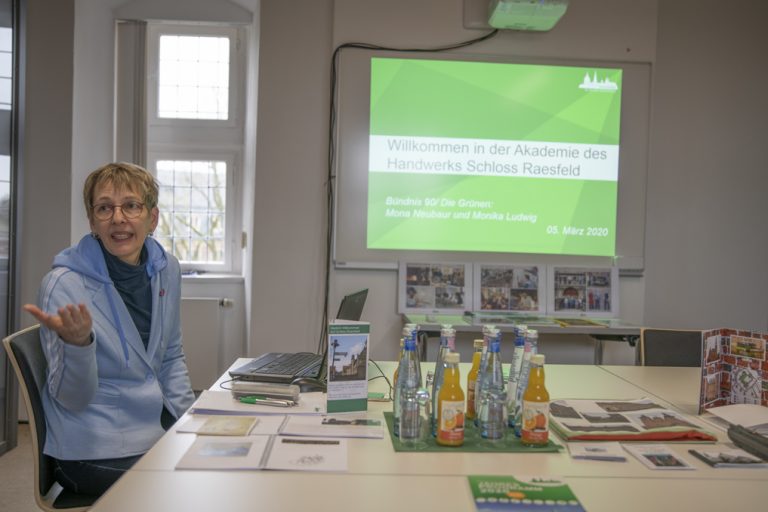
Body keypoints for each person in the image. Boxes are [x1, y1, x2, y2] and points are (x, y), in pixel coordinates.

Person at [23, 162, 195, 497]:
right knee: (193, 487)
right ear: (92, 220)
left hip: (153, 430)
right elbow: (73, 399)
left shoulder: (166, 269)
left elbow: (171, 355)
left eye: (131, 205)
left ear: (152, 218)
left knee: (220, 463)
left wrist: (189, 422)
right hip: (91, 448)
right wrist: (78, 345)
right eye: (105, 208)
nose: (118, 218)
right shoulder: (63, 285)